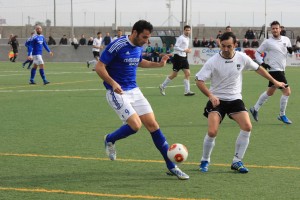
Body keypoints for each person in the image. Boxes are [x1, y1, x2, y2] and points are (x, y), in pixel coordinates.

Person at [95, 20, 189, 180]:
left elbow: (138, 62)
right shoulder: (117, 45)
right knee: (135, 125)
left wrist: (158, 65)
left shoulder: (138, 46)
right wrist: (113, 83)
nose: (146, 41)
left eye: (147, 38)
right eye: (144, 37)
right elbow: (99, 66)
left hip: (135, 91)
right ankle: (110, 139)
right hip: (116, 92)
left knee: (153, 125)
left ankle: (171, 166)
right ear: (134, 32)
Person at [195, 31, 286, 174]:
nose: (225, 49)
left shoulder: (242, 58)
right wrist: (211, 95)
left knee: (247, 126)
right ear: (220, 44)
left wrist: (274, 81)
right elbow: (199, 81)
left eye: (229, 46)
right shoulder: (212, 61)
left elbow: (258, 69)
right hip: (217, 100)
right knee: (212, 132)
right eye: (223, 46)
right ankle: (205, 160)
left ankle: (237, 161)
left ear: (235, 45)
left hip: (235, 99)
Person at [250, 21, 293, 124]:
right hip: (275, 70)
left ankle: (255, 109)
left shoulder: (286, 39)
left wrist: (291, 50)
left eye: (276, 28)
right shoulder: (267, 42)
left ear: (280, 29)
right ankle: (282, 115)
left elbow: (289, 51)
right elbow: (257, 53)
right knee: (287, 92)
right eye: (273, 28)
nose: (275, 30)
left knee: (270, 92)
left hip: (281, 69)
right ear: (271, 30)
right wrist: (262, 63)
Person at [159, 25, 195, 96]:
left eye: (189, 30)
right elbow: (176, 47)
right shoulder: (181, 38)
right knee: (174, 75)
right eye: (186, 30)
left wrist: (188, 50)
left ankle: (187, 91)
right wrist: (184, 50)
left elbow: (185, 48)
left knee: (187, 73)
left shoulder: (187, 38)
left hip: (184, 58)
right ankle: (162, 86)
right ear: (184, 31)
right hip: (178, 58)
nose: (188, 31)